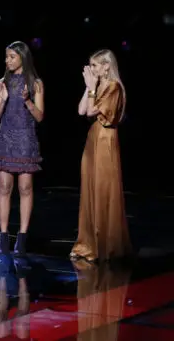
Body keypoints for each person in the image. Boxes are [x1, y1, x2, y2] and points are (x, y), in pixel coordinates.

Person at [71, 49, 132, 263]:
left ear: (107, 66)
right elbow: (81, 110)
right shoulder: (96, 87)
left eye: (96, 65)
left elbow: (90, 112)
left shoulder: (114, 88)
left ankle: (104, 245)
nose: (93, 69)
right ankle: (87, 243)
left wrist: (91, 88)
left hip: (105, 141)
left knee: (103, 190)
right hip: (92, 141)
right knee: (90, 190)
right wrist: (89, 88)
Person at [0, 41, 44, 256]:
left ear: (23, 57)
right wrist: (3, 100)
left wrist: (27, 101)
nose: (8, 60)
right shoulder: (3, 82)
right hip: (6, 137)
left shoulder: (35, 83)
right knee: (4, 187)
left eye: (12, 56)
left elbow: (40, 116)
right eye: (6, 57)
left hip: (25, 140)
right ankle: (3, 236)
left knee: (25, 188)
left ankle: (22, 237)